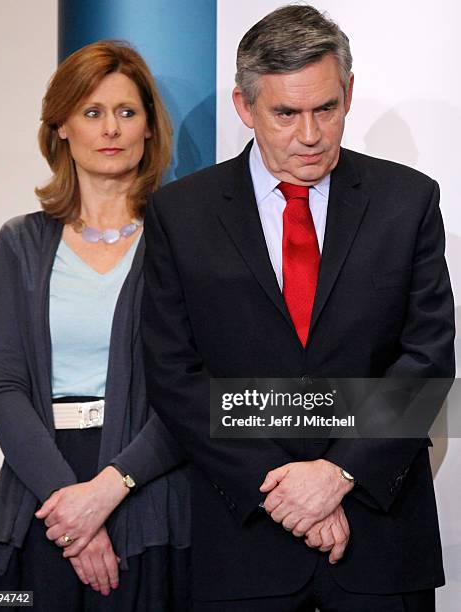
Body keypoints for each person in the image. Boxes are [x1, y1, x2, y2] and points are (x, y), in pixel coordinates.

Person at [142, 5, 455, 611]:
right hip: (243, 545)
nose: (310, 135)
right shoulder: (181, 215)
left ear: (349, 93)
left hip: (381, 540)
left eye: (326, 109)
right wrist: (283, 494)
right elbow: (175, 377)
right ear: (244, 107)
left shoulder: (408, 200)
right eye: (285, 114)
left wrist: (338, 476)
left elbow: (427, 360)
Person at [0, 41, 190, 611]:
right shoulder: (19, 243)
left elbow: (195, 388)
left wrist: (107, 491)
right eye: (92, 113)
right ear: (62, 127)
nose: (111, 128)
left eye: (127, 112)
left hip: (148, 486)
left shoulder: (186, 243)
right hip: (40, 488)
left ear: (148, 128)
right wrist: (71, 507)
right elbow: (1, 386)